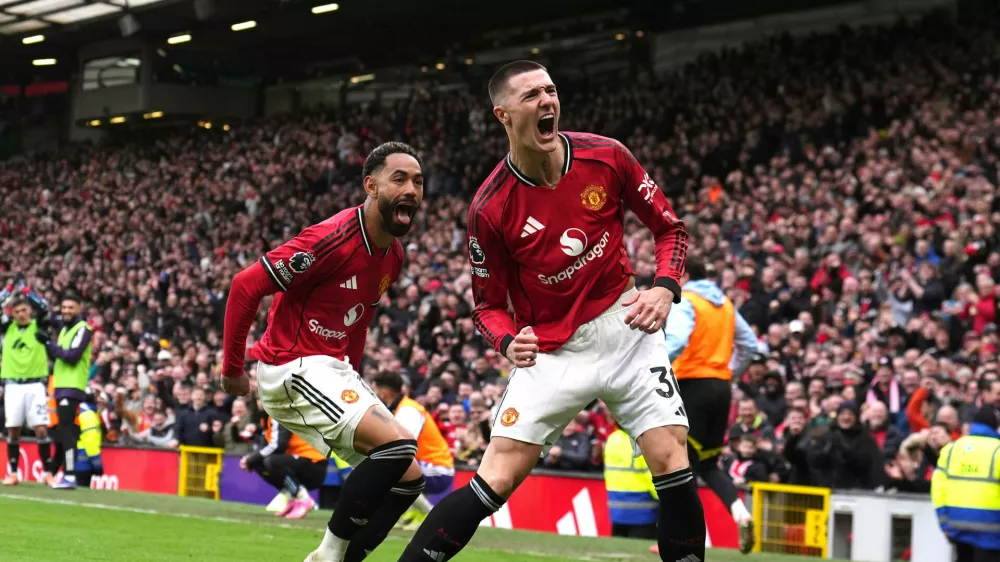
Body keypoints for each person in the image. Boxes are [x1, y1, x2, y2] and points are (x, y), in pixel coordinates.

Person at [398, 60, 701, 562]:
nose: (547, 101)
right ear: (503, 115)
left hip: (626, 326)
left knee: (671, 454)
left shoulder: (607, 157)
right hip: (553, 351)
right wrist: (506, 341)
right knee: (495, 479)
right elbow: (488, 306)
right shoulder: (490, 208)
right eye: (532, 95)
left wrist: (665, 288)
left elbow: (670, 228)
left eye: (551, 91)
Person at [222, 142, 427, 562]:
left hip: (331, 369)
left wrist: (353, 375)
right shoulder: (331, 238)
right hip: (289, 365)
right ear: (370, 186)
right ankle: (327, 556)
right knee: (397, 448)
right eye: (399, 179)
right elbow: (246, 285)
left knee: (408, 477)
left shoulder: (393, 256)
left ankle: (345, 558)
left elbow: (359, 321)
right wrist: (233, 368)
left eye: (418, 182)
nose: (411, 189)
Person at [664, 256, 759, 553]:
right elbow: (750, 345)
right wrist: (731, 375)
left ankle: (683, 537)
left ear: (685, 275)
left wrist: (652, 368)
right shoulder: (726, 304)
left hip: (693, 385)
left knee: (679, 465)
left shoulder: (687, 299)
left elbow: (677, 341)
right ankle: (740, 513)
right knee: (709, 465)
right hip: (721, 387)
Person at [371, 371, 455, 531]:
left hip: (439, 470)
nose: (374, 395)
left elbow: (403, 446)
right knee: (391, 466)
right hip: (427, 465)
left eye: (374, 390)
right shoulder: (401, 408)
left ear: (384, 392)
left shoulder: (408, 410)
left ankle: (429, 514)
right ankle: (414, 514)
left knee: (392, 468)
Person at [932, 406, 1000, 562]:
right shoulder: (998, 451)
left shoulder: (951, 449)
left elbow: (938, 490)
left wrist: (944, 523)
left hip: (958, 529)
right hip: (993, 533)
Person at [1, 292, 54, 486]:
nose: (22, 314)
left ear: (30, 311)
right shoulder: (7, 329)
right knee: (13, 430)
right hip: (13, 385)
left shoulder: (38, 327)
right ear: (12, 314)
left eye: (24, 310)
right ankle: (13, 473)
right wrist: (6, 293)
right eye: (17, 311)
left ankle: (47, 473)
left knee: (41, 429)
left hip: (35, 385)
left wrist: (27, 293)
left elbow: (45, 308)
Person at [47, 291, 94, 490]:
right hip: (61, 386)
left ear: (79, 309)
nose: (66, 311)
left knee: (66, 429)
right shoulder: (65, 329)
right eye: (64, 307)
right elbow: (45, 315)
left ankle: (70, 475)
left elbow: (73, 356)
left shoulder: (84, 329)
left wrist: (49, 345)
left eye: (70, 308)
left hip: (73, 386)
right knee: (65, 429)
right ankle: (53, 471)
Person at [242, 417, 327, 519]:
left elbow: (278, 446)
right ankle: (292, 498)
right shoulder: (265, 419)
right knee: (259, 463)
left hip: (314, 462)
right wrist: (251, 460)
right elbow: (265, 446)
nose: (259, 403)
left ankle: (304, 499)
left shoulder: (277, 414)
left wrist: (250, 459)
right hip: (299, 463)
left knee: (272, 461)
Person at [604, 426, 658, 540]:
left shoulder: (612, 439)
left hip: (617, 510)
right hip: (643, 512)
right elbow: (651, 477)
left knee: (618, 552)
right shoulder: (643, 442)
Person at [74, 391, 103, 488]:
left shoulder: (81, 411)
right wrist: (97, 465)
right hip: (84, 463)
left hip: (77, 460)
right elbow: (91, 442)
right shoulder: (89, 415)